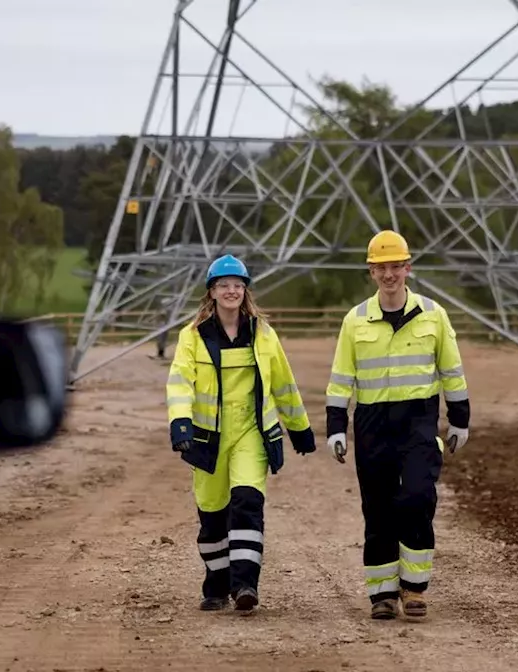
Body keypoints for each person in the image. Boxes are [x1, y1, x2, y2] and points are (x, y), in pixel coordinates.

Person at [324, 230, 471, 621]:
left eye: (396, 267)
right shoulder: (354, 321)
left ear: (408, 268)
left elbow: (451, 370)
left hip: (419, 421)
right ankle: (383, 595)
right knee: (378, 508)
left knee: (418, 497)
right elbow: (341, 379)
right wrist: (336, 427)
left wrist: (460, 419)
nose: (389, 275)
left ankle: (415, 588)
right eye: (381, 268)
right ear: (371, 272)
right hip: (372, 423)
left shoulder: (433, 315)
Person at [166, 254, 317, 613]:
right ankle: (216, 584)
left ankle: (246, 584)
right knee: (213, 514)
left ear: (245, 290)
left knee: (248, 503)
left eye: (237, 285)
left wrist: (300, 428)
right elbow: (180, 383)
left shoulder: (262, 334)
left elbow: (283, 382)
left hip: (250, 431)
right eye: (224, 285)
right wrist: (180, 423)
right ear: (212, 292)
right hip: (208, 438)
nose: (231, 290)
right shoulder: (193, 336)